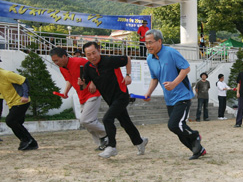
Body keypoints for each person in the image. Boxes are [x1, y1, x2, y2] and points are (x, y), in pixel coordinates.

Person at [143, 29, 206, 160]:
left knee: (174, 125)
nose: (148, 46)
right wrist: (148, 93)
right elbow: (155, 78)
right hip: (169, 99)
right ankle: (198, 149)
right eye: (146, 43)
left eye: (150, 42)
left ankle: (195, 136)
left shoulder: (171, 52)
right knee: (176, 128)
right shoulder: (150, 58)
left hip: (182, 95)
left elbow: (186, 68)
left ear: (159, 41)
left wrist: (174, 83)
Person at [78, 42, 147, 159]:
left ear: (99, 50)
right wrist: (82, 83)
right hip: (109, 99)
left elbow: (127, 59)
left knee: (107, 119)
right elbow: (84, 85)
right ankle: (140, 142)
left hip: (121, 95)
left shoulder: (109, 60)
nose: (92, 57)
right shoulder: (87, 67)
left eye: (94, 53)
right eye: (88, 54)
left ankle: (111, 147)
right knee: (125, 122)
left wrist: (128, 75)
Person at [50, 47, 108, 151]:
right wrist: (65, 92)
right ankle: (102, 143)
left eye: (56, 60)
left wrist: (93, 83)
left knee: (85, 120)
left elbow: (96, 68)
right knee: (89, 124)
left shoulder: (79, 61)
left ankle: (106, 134)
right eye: (53, 61)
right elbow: (69, 80)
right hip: (81, 96)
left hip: (92, 94)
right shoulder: (62, 68)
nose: (55, 63)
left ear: (64, 56)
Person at [0, 59, 38, 151]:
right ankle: (31, 142)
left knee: (10, 121)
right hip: (12, 104)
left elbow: (23, 81)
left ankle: (27, 140)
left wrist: (25, 95)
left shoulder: (6, 74)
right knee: (17, 123)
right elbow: (0, 89)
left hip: (21, 101)